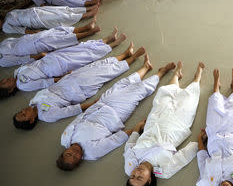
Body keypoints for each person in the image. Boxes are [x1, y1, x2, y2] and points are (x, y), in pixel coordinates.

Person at [58, 53, 171, 171]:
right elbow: (115, 139)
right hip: (114, 114)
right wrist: (136, 128)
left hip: (99, 106)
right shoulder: (92, 152)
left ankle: (146, 67)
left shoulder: (65, 139)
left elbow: (77, 120)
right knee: (138, 91)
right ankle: (161, 72)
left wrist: (93, 105)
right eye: (75, 157)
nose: (74, 153)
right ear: (80, 159)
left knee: (122, 84)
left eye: (69, 154)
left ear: (65, 151)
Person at [13, 43, 145, 129]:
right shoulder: (47, 116)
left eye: (20, 112)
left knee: (97, 65)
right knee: (105, 72)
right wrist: (93, 103)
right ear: (31, 121)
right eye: (24, 115)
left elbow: (49, 88)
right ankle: (133, 58)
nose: (23, 111)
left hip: (68, 80)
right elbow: (72, 110)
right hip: (78, 89)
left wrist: (64, 77)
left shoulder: (33, 101)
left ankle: (125, 54)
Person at [121, 61, 204, 186]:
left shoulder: (130, 163)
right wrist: (200, 141)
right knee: (188, 101)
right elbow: (183, 157)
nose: (136, 172)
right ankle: (197, 78)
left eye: (133, 176)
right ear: (149, 180)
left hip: (154, 123)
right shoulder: (164, 171)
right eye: (140, 178)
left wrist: (136, 129)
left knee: (164, 96)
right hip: (175, 129)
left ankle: (177, 75)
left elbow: (129, 145)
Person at [0, 28, 124, 97]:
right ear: (10, 89)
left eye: (3, 80)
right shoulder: (23, 85)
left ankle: (107, 39)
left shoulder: (17, 71)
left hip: (48, 59)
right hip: (53, 69)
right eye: (4, 83)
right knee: (84, 56)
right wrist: (63, 77)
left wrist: (42, 55)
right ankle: (113, 44)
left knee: (79, 48)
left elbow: (31, 62)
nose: (5, 80)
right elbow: (45, 82)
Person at [0, 19, 99, 67]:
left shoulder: (2, 43)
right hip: (31, 48)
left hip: (29, 39)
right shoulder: (2, 61)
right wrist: (37, 56)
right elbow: (19, 60)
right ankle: (88, 32)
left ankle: (85, 28)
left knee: (56, 31)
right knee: (59, 40)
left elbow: (16, 40)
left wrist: (32, 34)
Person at [1, 5, 98, 34]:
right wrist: (36, 33)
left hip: (35, 11)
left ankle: (86, 9)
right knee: (58, 17)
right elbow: (22, 30)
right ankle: (86, 15)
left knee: (61, 9)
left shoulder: (8, 14)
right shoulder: (5, 27)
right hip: (35, 20)